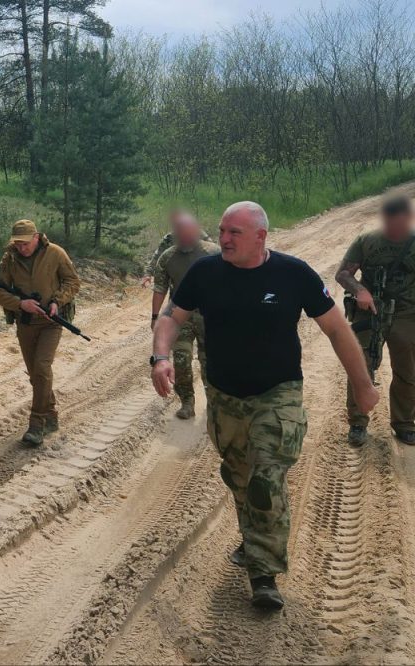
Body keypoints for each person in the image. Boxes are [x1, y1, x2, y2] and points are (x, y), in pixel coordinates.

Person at [151, 201, 378, 611]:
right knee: (240, 477)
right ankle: (254, 538)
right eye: (221, 230)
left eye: (234, 232)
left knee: (266, 478)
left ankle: (263, 573)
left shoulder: (294, 274)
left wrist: (363, 384)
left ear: (261, 236)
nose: (223, 239)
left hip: (279, 393)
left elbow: (336, 329)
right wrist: (161, 356)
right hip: (224, 396)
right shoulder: (205, 272)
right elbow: (171, 317)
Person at [0, 219, 80, 445]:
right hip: (25, 322)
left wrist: (57, 302)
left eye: (25, 243)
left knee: (41, 367)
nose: (21, 248)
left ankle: (36, 424)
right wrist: (21, 304)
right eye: (17, 244)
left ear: (36, 238)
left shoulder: (56, 253)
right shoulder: (9, 260)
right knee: (35, 375)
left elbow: (72, 281)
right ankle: (51, 415)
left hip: (51, 321)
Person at [336, 194, 415, 446]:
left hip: (406, 313)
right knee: (362, 366)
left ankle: (403, 423)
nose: (396, 228)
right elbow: (343, 274)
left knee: (407, 370)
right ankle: (358, 422)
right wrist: (360, 290)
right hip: (370, 312)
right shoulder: (367, 241)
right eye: (392, 223)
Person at [151, 210, 220, 419]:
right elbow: (160, 288)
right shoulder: (168, 257)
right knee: (181, 359)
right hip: (180, 316)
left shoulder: (214, 254)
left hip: (210, 316)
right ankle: (187, 402)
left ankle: (214, 404)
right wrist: (155, 317)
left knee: (211, 362)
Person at [142, 224, 213, 288]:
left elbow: (213, 251)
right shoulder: (169, 239)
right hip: (177, 279)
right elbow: (157, 256)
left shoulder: (201, 235)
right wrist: (148, 274)